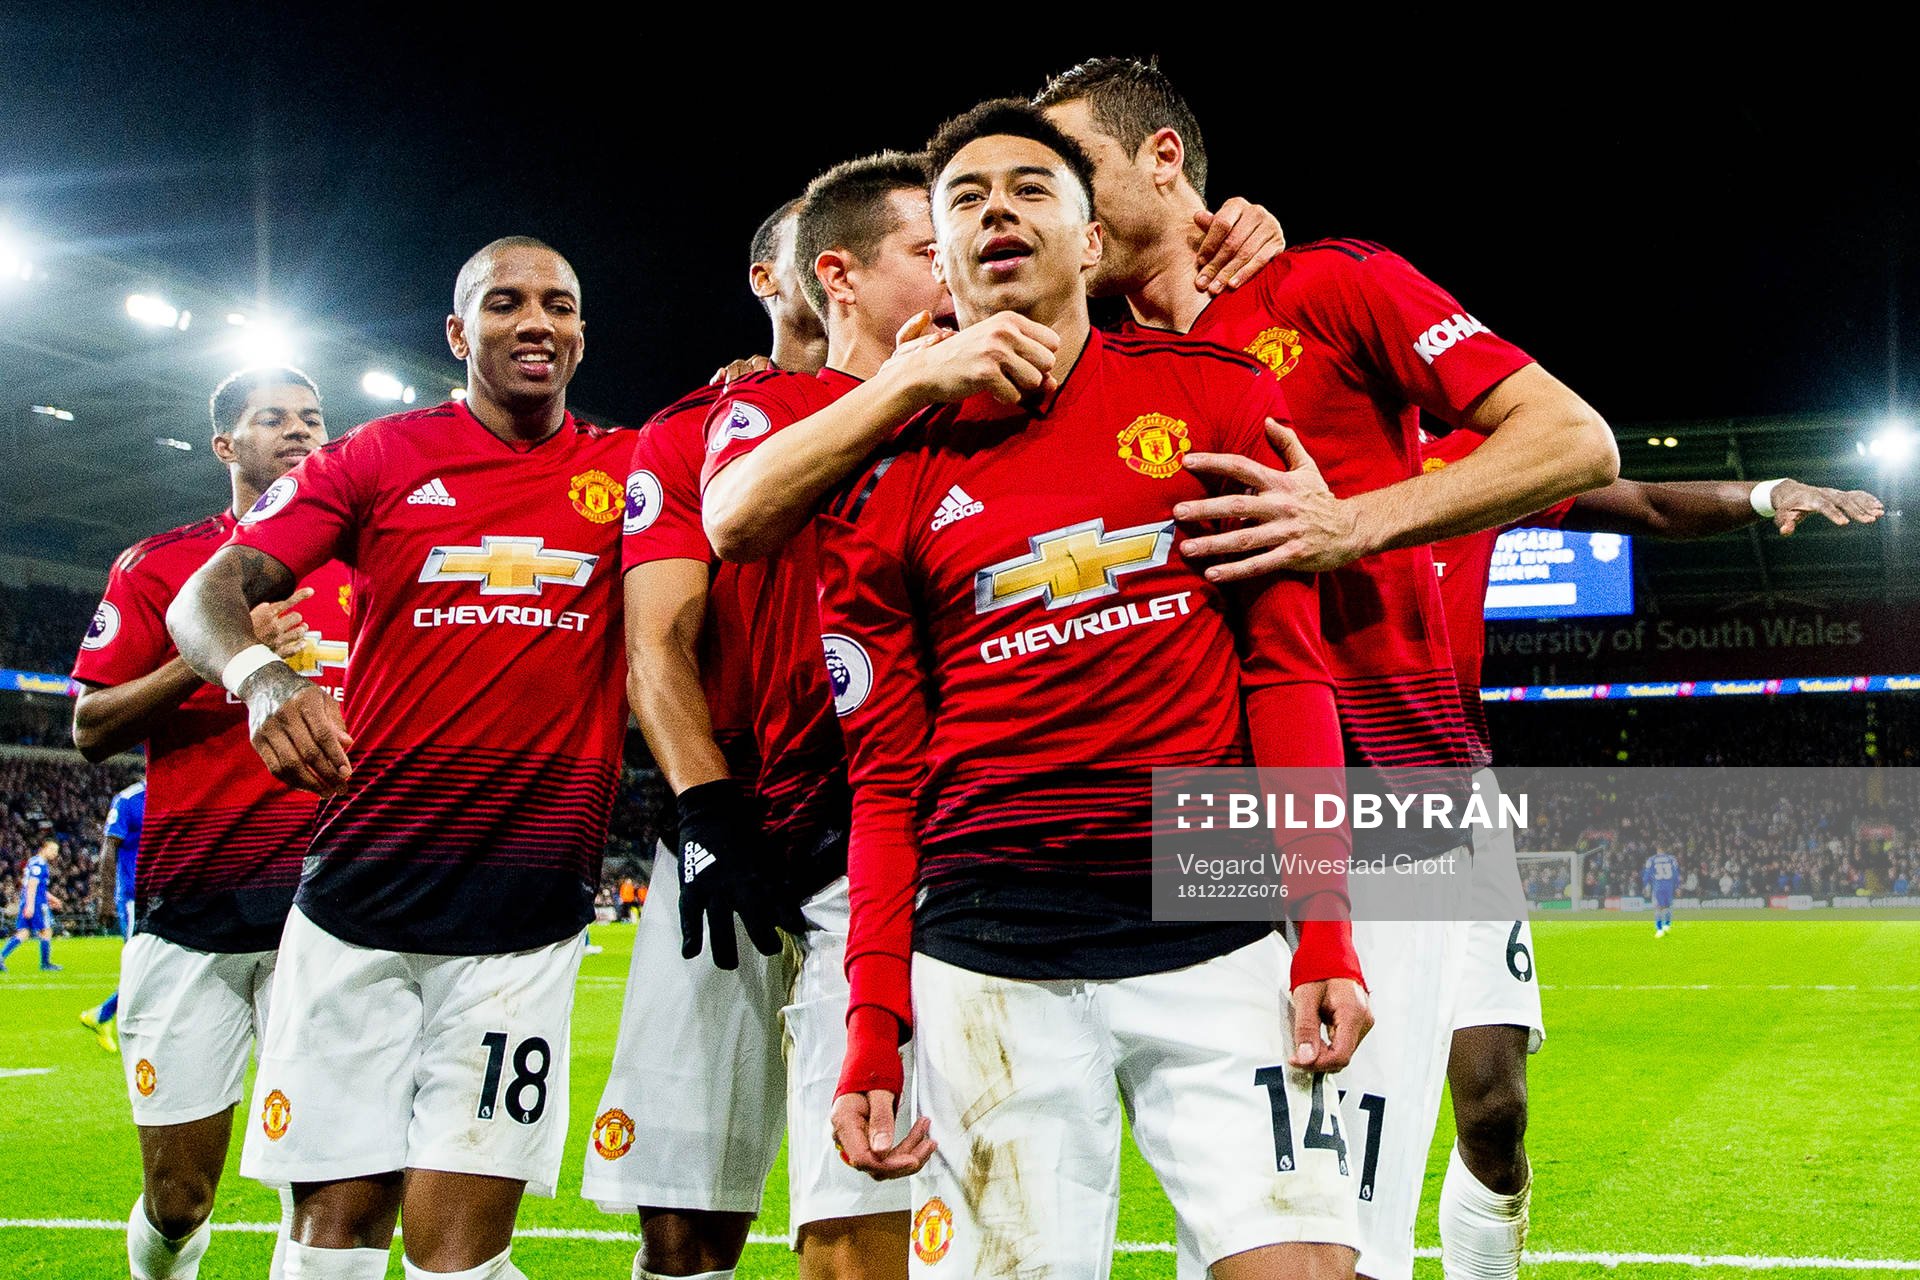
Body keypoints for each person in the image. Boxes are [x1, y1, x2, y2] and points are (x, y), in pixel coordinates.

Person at [1032, 56, 1618, 1280]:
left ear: (1163, 162)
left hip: (1404, 793)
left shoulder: (1334, 283)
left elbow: (1572, 438)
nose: (1051, 202)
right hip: (1212, 811)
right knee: (1260, 1225)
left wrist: (1352, 521)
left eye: (1074, 168)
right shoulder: (1085, 365)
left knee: (1361, 1207)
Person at [810, 101, 1369, 1280]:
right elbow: (883, 774)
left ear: (1086, 237)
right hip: (986, 957)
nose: (995, 209)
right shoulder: (889, 473)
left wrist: (1325, 926)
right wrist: (872, 1019)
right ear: (944, 260)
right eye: (964, 198)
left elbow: (1285, 672)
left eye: (1029, 187)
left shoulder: (1213, 395)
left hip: (1211, 932)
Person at [166, 236, 629, 1280]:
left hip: (525, 923)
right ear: (460, 333)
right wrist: (263, 679)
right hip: (356, 906)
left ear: (582, 335)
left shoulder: (630, 469)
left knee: (455, 1256)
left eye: (559, 303)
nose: (536, 322)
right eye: (505, 303)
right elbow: (207, 598)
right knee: (332, 1237)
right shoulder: (376, 458)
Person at [1421, 424, 1882, 1280]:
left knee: (1493, 1107)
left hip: (1454, 795)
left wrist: (1764, 492)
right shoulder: (1290, 437)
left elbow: (1644, 502)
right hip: (1307, 791)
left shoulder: (1471, 456)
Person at [582, 196, 832, 1280]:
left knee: (875, 1185)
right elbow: (657, 645)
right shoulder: (692, 426)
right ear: (769, 280)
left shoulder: (955, 400)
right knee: (683, 1209)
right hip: (730, 817)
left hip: (890, 823)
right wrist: (706, 810)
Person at [69, 364, 348, 1280]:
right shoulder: (161, 566)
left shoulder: (364, 563)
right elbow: (90, 729)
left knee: (324, 1185)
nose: (300, 432)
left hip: (333, 915)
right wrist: (222, 655)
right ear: (227, 444)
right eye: (274, 420)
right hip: (192, 913)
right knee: (180, 1197)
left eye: (312, 418)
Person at [79, 775, 146, 1052]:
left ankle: (104, 1015)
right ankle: (105, 1016)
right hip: (133, 898)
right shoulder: (129, 800)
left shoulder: (174, 796)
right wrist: (105, 899)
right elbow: (109, 846)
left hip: (164, 896)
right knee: (141, 967)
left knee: (158, 967)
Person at [1, 836, 61, 972]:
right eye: (52, 849)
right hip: (36, 903)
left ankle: (1, 957)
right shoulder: (40, 864)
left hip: (29, 900)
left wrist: (53, 898)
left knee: (23, 933)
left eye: (56, 851)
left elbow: (35, 886)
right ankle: (45, 964)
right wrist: (31, 905)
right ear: (44, 848)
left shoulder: (33, 862)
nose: (55, 853)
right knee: (46, 931)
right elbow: (32, 885)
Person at [1644, 850, 1680, 935]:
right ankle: (1667, 926)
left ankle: (1659, 930)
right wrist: (1677, 886)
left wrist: (1646, 885)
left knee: (1658, 908)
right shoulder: (1671, 859)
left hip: (1658, 886)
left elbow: (1647, 873)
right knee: (1667, 907)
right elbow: (1676, 873)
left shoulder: (1652, 859)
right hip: (1668, 887)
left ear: (1657, 849)